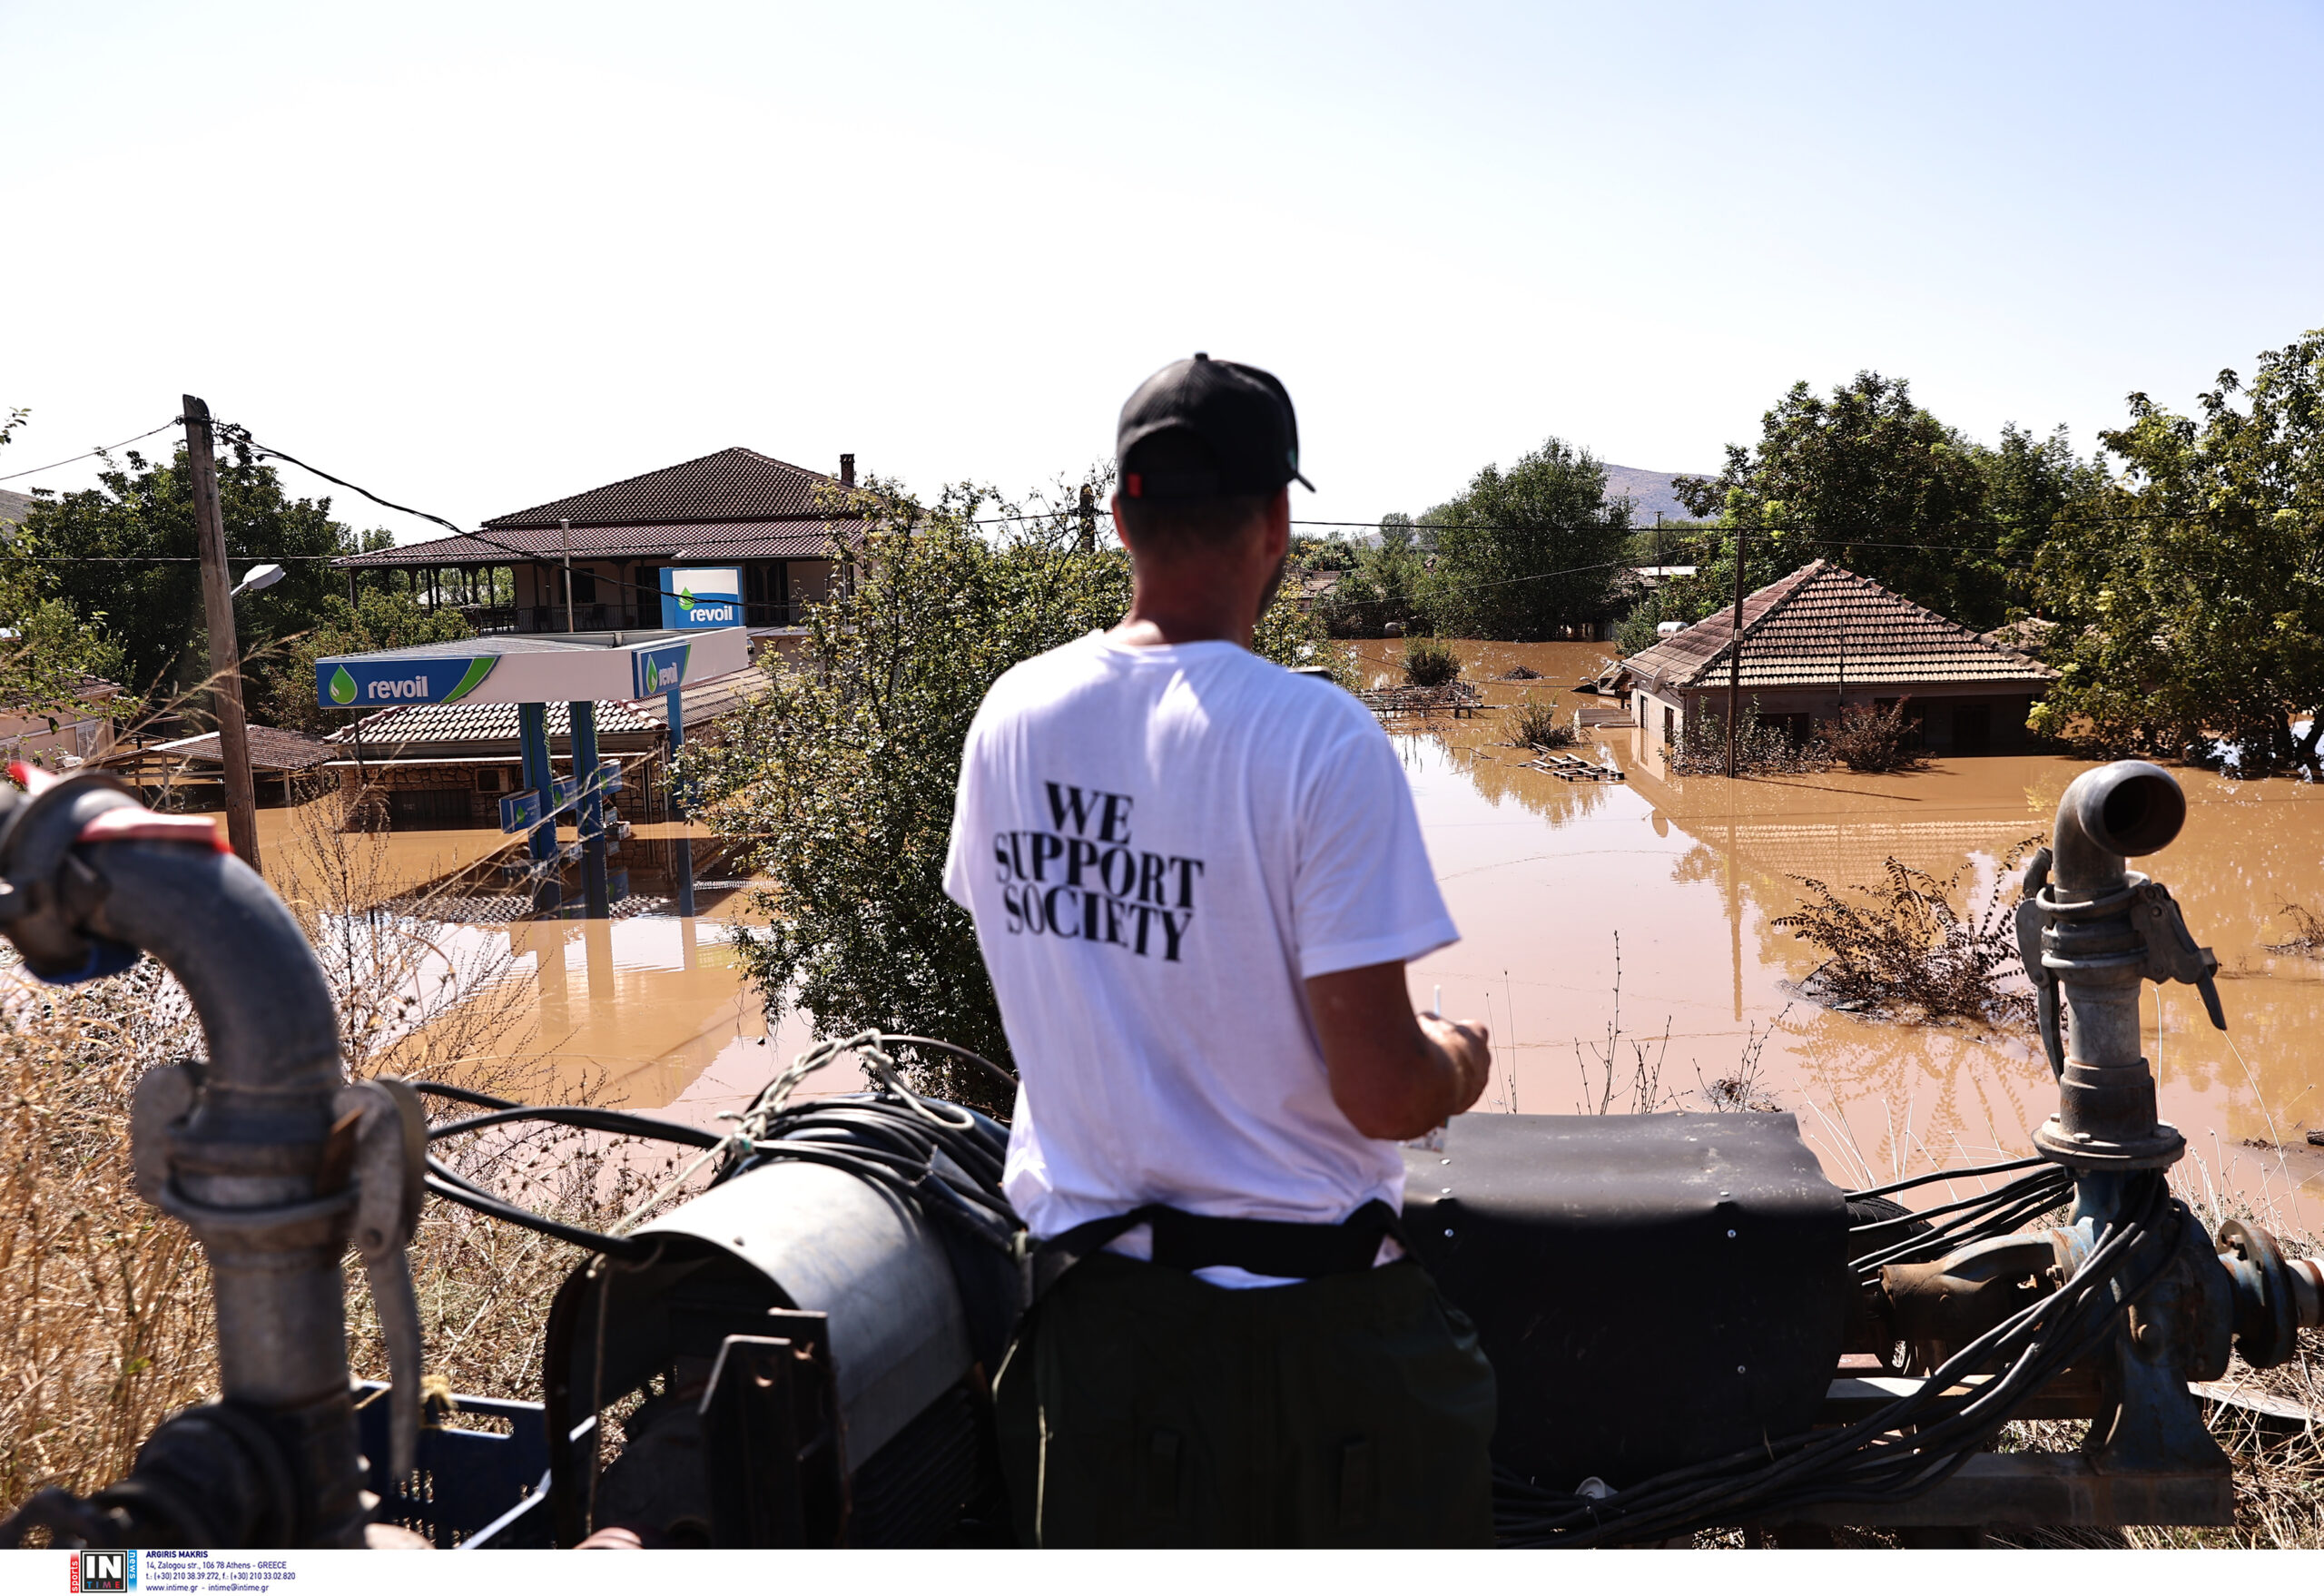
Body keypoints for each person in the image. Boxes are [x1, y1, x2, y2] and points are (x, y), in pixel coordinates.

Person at [940, 353, 1498, 1547]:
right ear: (1280, 525)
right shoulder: (1317, 740)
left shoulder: (1010, 717)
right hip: (1314, 1352)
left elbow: (1055, 984)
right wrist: (1458, 1059)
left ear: (1118, 515)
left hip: (1096, 1342)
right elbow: (1386, 1088)